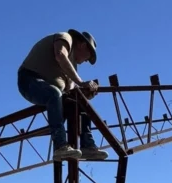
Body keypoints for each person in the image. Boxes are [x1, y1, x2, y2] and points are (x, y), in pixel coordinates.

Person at [17, 29, 107, 163]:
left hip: (47, 88)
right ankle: (60, 146)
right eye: (88, 56)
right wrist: (81, 83)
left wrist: (84, 94)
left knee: (79, 102)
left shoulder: (73, 67)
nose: (86, 61)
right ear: (82, 45)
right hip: (29, 80)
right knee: (54, 93)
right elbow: (60, 56)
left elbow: (71, 89)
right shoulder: (65, 38)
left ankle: (87, 145)